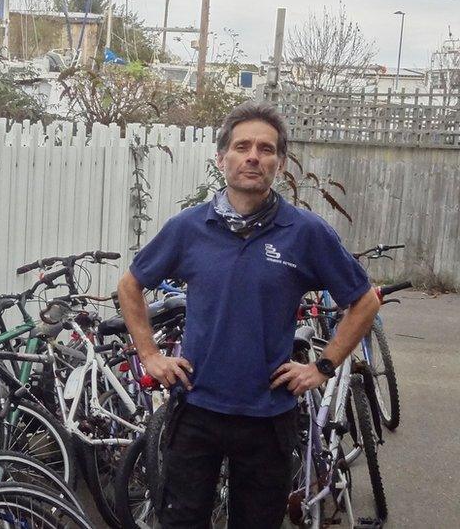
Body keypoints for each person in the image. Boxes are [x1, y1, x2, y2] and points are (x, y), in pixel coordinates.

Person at [117, 101, 381, 528]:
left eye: (266, 148)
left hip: (268, 415)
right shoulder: (188, 228)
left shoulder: (305, 232)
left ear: (279, 161)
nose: (253, 156)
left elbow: (364, 300)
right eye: (242, 147)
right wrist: (149, 355)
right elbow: (130, 285)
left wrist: (323, 366)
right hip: (196, 408)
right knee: (180, 521)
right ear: (222, 158)